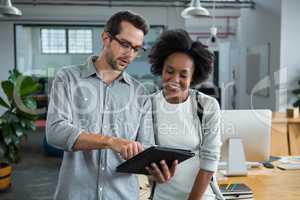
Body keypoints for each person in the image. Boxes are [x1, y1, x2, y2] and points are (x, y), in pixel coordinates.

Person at [46, 11, 175, 200]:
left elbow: (145, 149)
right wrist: (110, 141)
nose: (130, 54)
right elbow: (55, 132)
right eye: (125, 44)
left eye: (136, 48)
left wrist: (156, 172)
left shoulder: (140, 93)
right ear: (106, 38)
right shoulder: (67, 78)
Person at [147, 29, 222, 200]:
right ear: (161, 68)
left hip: (202, 196)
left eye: (183, 74)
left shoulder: (207, 106)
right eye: (170, 71)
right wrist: (152, 173)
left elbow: (209, 163)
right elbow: (145, 156)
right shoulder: (148, 105)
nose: (174, 79)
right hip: (161, 196)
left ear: (193, 76)